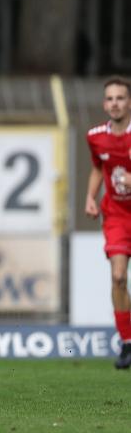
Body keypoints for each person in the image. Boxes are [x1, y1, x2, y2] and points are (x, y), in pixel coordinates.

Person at [85, 76, 131, 369]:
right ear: (104, 104)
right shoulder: (95, 136)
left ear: (129, 102)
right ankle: (127, 343)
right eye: (110, 99)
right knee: (118, 277)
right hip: (116, 215)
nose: (115, 104)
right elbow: (97, 167)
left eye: (120, 98)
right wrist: (90, 196)